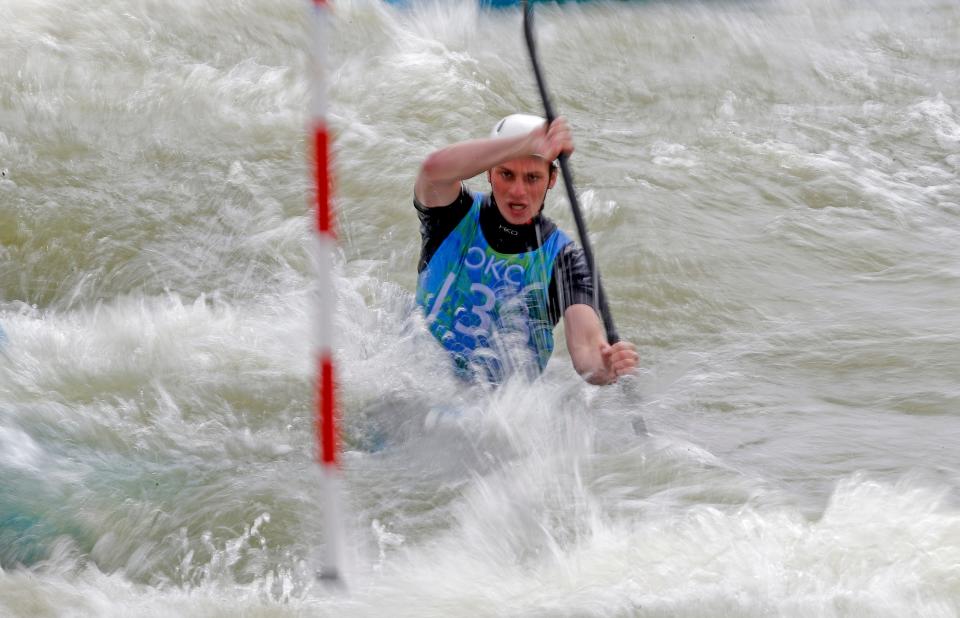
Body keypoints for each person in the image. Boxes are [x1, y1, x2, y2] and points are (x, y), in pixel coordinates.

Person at [414, 113, 639, 385]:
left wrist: (605, 366)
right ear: (489, 171)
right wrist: (528, 143)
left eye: (532, 178)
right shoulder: (453, 215)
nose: (518, 191)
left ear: (552, 179)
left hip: (494, 413)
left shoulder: (565, 259)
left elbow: (586, 352)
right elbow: (432, 170)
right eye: (506, 174)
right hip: (417, 380)